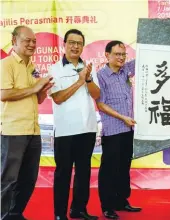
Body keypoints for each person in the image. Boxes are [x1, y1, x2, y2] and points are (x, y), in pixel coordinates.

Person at [1, 25, 53, 220]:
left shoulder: (32, 67)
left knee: (29, 179)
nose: (32, 44)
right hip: (13, 131)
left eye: (34, 41)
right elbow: (4, 94)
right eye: (27, 40)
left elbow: (38, 100)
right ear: (14, 41)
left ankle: (15, 213)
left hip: (33, 130)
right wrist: (34, 88)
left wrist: (42, 89)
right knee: (8, 179)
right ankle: (3, 215)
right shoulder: (6, 64)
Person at [49, 29, 100, 220]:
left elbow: (96, 95)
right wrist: (79, 82)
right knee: (63, 173)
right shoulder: (55, 69)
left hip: (87, 128)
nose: (75, 46)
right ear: (64, 44)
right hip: (65, 131)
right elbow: (58, 98)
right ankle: (60, 214)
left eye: (79, 43)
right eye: (72, 42)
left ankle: (78, 209)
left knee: (83, 172)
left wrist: (87, 79)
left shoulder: (87, 67)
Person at [96, 40, 141, 220]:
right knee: (109, 169)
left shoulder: (125, 71)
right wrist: (123, 118)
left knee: (124, 167)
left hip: (128, 130)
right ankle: (107, 206)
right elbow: (101, 104)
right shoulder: (101, 76)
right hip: (113, 130)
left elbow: (145, 60)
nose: (121, 58)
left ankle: (121, 201)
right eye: (117, 54)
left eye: (123, 54)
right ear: (107, 55)